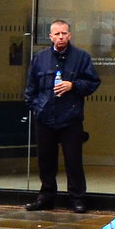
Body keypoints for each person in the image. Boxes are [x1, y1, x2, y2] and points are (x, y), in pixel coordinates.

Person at [24, 19, 101, 213]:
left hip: (70, 117)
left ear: (70, 35)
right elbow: (30, 89)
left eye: (64, 33)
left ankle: (77, 198)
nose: (61, 37)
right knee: (45, 160)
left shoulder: (81, 57)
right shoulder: (40, 58)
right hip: (45, 117)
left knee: (73, 160)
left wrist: (73, 85)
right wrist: (37, 108)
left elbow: (93, 83)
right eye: (57, 34)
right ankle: (46, 196)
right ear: (50, 37)